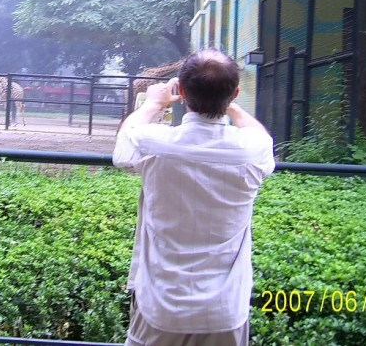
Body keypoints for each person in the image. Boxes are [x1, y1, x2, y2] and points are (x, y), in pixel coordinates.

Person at [113, 49, 275, 346]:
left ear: (183, 92)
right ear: (235, 93)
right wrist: (232, 106)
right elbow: (261, 137)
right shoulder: (252, 150)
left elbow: (123, 147)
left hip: (160, 307)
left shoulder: (155, 143)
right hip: (226, 311)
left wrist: (153, 103)